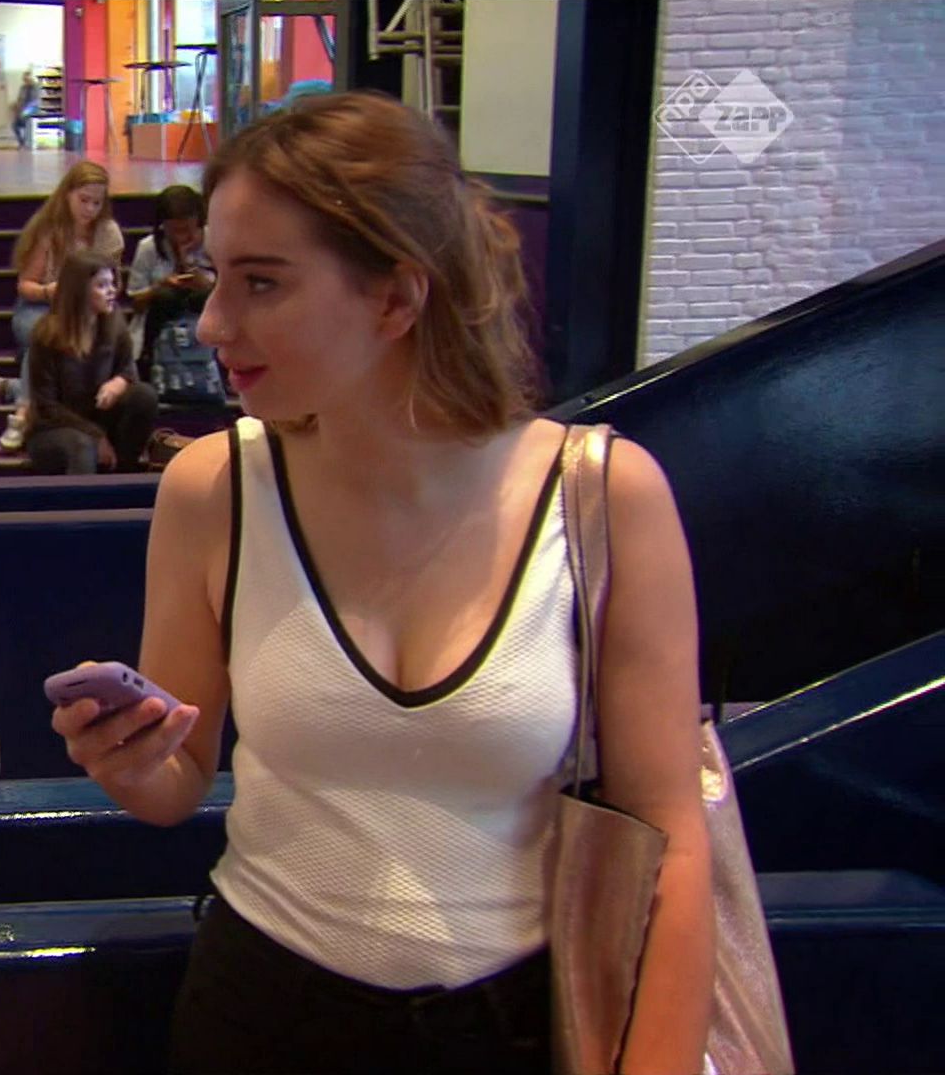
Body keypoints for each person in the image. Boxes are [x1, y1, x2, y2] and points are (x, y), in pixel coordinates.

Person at [49, 92, 713, 1073]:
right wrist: (130, 763)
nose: (215, 322)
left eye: (262, 283)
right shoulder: (216, 488)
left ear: (397, 299)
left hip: (520, 1023)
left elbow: (671, 835)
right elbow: (179, 780)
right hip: (265, 1014)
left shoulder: (604, 497)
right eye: (219, 277)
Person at [0, 161, 126, 454]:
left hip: (89, 308)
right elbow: (26, 285)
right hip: (41, 305)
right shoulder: (48, 229)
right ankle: (23, 412)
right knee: (43, 334)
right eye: (84, 200)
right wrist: (51, 291)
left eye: (97, 203)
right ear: (67, 194)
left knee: (105, 331)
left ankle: (19, 388)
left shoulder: (108, 233)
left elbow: (114, 283)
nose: (90, 209)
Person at [26, 249, 159, 476]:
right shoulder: (46, 335)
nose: (112, 291)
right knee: (82, 445)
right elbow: (47, 407)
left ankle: (123, 476)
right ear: (79, 291)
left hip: (100, 420)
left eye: (112, 284)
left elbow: (128, 370)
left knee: (144, 396)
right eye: (102, 285)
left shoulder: (114, 324)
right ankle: (83, 500)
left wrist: (120, 381)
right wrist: (96, 435)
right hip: (55, 428)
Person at [125, 185, 216, 376]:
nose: (182, 237)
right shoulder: (148, 248)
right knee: (166, 297)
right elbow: (136, 302)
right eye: (175, 230)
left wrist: (207, 284)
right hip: (159, 324)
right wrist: (159, 286)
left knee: (203, 296)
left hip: (205, 323)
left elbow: (236, 293)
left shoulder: (215, 242)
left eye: (187, 230)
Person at [13, 70, 40, 149]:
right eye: (24, 79)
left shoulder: (36, 87)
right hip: (22, 110)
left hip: (32, 109)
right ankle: (21, 142)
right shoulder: (22, 88)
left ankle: (26, 142)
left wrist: (24, 110)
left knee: (26, 120)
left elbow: (35, 101)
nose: (26, 81)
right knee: (14, 125)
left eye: (27, 79)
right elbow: (19, 99)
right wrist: (17, 107)